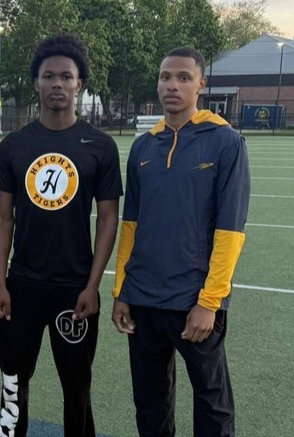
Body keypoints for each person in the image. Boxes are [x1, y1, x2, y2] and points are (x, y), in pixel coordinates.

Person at [0, 34, 122, 437]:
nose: (58, 84)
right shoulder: (14, 145)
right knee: (13, 382)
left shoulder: (100, 146)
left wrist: (93, 285)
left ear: (79, 83)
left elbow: (108, 219)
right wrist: (0, 283)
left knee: (77, 387)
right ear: (36, 83)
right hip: (22, 286)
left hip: (74, 289)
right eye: (49, 76)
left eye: (67, 76)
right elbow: (2, 217)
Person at [112, 47, 250, 437]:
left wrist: (209, 302)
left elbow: (230, 231)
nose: (172, 85)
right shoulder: (143, 147)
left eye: (183, 78)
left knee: (212, 403)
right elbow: (130, 226)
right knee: (150, 402)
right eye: (165, 77)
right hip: (143, 298)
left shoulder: (225, 142)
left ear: (201, 85)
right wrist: (122, 289)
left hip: (194, 301)